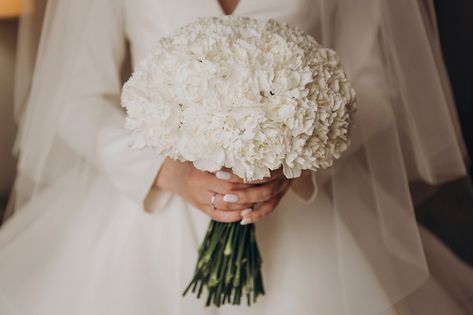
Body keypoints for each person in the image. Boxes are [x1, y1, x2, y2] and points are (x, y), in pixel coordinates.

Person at [0, 0, 472, 314]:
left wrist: (303, 157)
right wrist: (166, 172)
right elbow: (73, 96)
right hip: (146, 214)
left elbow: (375, 81)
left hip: (303, 207)